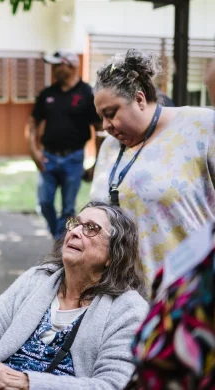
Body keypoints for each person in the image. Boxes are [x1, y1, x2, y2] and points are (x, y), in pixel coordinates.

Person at [0, 202, 149, 390]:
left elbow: (112, 385)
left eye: (91, 228)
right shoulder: (39, 278)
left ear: (113, 254)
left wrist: (27, 382)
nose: (74, 232)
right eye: (75, 224)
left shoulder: (129, 310)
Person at [90, 49, 215, 283]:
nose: (106, 125)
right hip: (124, 297)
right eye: (101, 117)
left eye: (111, 113)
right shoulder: (110, 145)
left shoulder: (202, 126)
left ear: (139, 99)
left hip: (187, 293)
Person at [29, 50, 102, 240]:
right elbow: (32, 124)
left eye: (56, 65)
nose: (53, 70)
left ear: (70, 66)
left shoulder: (87, 93)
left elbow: (99, 129)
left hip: (74, 158)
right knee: (44, 203)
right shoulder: (47, 94)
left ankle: (60, 243)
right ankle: (57, 237)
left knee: (69, 208)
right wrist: (34, 151)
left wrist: (97, 162)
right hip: (48, 157)